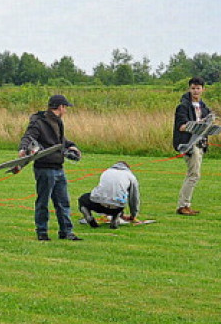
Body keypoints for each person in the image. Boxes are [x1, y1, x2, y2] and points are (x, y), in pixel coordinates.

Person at [18, 94, 82, 241]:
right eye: (65, 108)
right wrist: (23, 149)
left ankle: (66, 232)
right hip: (45, 168)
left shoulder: (57, 122)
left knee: (63, 202)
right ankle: (42, 232)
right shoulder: (39, 122)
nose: (66, 110)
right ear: (61, 107)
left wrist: (71, 145)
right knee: (43, 202)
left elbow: (60, 140)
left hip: (58, 167)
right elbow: (28, 136)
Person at [173, 77, 210, 215]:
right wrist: (196, 126)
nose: (195, 91)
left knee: (194, 174)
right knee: (194, 174)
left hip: (200, 143)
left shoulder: (204, 107)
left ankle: (185, 204)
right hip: (189, 144)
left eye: (198, 88)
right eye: (193, 88)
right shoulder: (182, 107)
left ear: (202, 89)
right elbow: (181, 126)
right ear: (189, 89)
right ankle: (183, 205)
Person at [78, 162, 141, 229]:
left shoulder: (106, 172)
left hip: (98, 204)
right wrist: (133, 215)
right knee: (119, 199)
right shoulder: (131, 176)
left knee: (82, 199)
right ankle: (115, 219)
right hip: (117, 207)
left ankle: (89, 218)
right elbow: (134, 198)